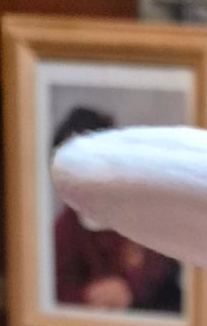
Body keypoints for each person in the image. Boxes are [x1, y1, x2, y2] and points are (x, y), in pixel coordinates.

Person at [51, 105, 182, 312]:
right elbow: (55, 292)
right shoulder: (65, 225)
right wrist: (89, 295)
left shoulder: (143, 205)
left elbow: (167, 268)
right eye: (65, 171)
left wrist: (130, 286)